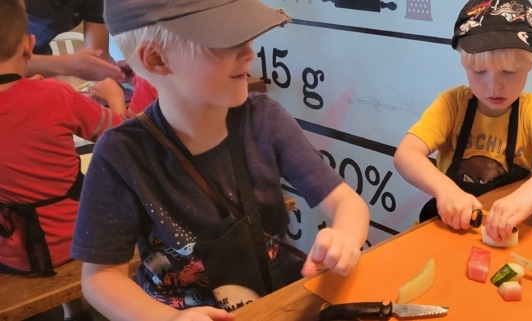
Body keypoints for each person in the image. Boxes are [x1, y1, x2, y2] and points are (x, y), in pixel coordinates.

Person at [69, 0, 371, 319]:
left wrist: (345, 238)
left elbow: (347, 204)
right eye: (225, 39)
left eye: (247, 35)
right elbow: (101, 277)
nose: (249, 53)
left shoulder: (265, 120)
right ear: (156, 59)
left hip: (279, 301)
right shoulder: (122, 154)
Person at [393, 0, 532, 244]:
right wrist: (446, 190)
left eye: (508, 72)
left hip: (501, 233)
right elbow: (405, 155)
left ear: (529, 65)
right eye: (480, 72)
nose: (494, 86)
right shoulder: (452, 105)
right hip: (447, 228)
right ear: (465, 64)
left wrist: (525, 198)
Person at [0, 1, 127, 320]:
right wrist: (115, 98)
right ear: (30, 46)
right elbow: (121, 140)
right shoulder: (57, 95)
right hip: (76, 240)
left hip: (10, 252)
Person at [25, 0, 125, 81]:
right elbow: (10, 61)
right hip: (16, 62)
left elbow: (98, 57)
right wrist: (69, 65)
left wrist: (119, 72)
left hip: (39, 54)